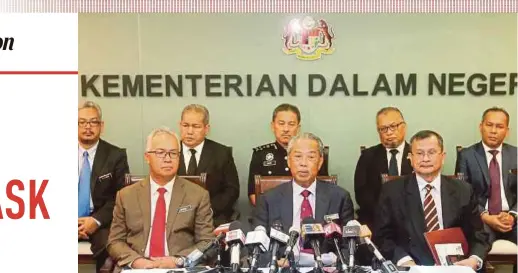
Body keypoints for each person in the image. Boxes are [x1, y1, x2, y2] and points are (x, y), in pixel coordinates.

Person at [374, 130, 489, 271]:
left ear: (443, 156)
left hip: (455, 266)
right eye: (420, 153)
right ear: (410, 157)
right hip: (412, 266)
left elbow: (479, 235)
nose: (426, 159)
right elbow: (383, 237)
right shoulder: (392, 191)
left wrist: (474, 260)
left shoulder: (463, 190)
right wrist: (405, 262)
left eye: (432, 152)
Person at [107, 127, 214, 273]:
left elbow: (206, 242)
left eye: (173, 153)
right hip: (138, 267)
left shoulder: (198, 195)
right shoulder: (126, 195)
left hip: (178, 268)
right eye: (160, 152)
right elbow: (115, 241)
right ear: (147, 157)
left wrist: (179, 260)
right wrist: (137, 262)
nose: (168, 158)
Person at [254, 132, 354, 267]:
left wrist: (337, 263)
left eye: (311, 157)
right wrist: (274, 263)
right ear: (289, 161)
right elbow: (256, 247)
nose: (303, 163)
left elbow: (349, 246)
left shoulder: (340, 197)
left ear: (320, 162)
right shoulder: (268, 199)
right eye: (298, 156)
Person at [455, 107, 517, 260]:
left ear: (507, 131)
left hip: (512, 219)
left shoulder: (516, 155)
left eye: (499, 126)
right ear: (481, 126)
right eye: (489, 125)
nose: (494, 131)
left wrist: (513, 216)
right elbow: (462, 193)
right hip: (482, 220)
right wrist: (485, 216)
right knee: (477, 245)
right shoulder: (466, 156)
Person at [78, 101, 130, 273]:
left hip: (101, 222)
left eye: (93, 122)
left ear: (102, 125)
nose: (88, 127)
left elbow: (122, 196)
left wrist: (96, 220)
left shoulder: (115, 155)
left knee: (111, 247)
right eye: (82, 122)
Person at [248, 103, 329, 206]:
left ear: (298, 128)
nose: (286, 129)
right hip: (272, 214)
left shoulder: (314, 153)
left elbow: (325, 190)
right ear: (273, 126)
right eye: (281, 123)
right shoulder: (260, 154)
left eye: (291, 124)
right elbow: (253, 194)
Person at [177, 104, 240, 227]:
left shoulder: (222, 153)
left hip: (213, 217)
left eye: (196, 126)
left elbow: (232, 190)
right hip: (176, 218)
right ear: (180, 125)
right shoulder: (170, 152)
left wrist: (206, 210)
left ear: (206, 129)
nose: (190, 131)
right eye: (186, 125)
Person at [354, 107, 412, 230]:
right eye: (383, 129)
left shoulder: (417, 154)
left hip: (412, 219)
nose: (389, 132)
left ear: (404, 127)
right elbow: (361, 194)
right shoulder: (368, 157)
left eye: (393, 126)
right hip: (376, 220)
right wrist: (385, 213)